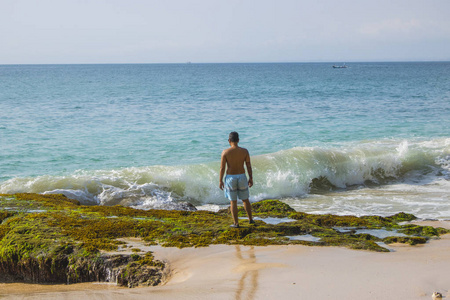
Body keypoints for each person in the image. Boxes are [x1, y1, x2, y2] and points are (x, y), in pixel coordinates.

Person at [219, 131, 254, 228]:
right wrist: (251, 178)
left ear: (229, 140)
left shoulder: (225, 152)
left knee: (233, 201)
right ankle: (251, 220)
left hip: (231, 178)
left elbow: (222, 168)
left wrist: (220, 180)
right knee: (245, 200)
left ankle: (236, 223)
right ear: (238, 140)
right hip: (242, 176)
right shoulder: (244, 151)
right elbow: (248, 166)